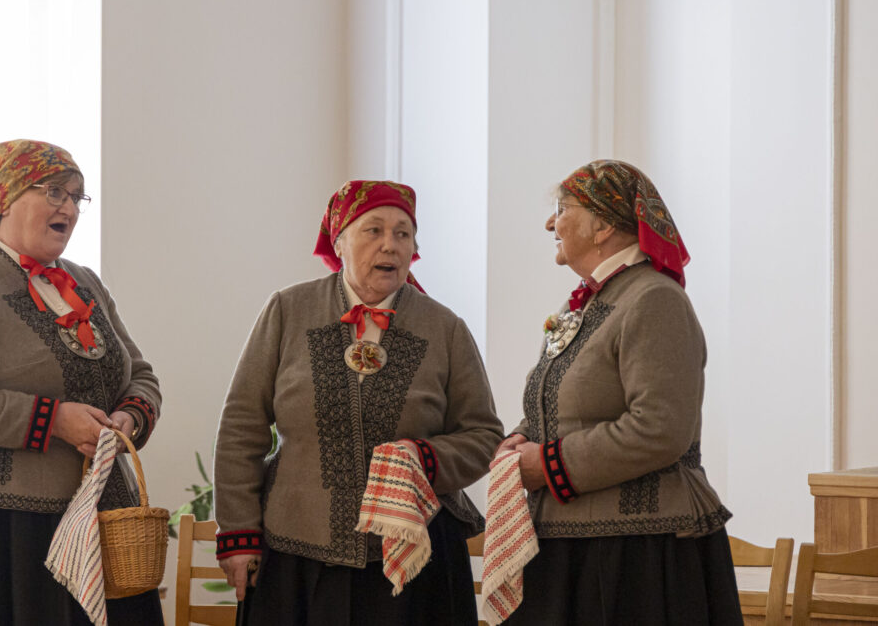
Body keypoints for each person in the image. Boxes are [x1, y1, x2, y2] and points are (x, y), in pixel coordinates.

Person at [213, 180, 504, 626]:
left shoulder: (445, 328)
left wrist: (423, 458)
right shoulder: (287, 310)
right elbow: (241, 426)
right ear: (339, 241)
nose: (390, 244)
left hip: (416, 558)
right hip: (296, 554)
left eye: (403, 233)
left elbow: (483, 436)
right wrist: (238, 532)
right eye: (374, 230)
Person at [0, 140, 163, 625]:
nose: (69, 207)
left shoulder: (86, 282)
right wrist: (55, 420)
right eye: (54, 192)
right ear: (5, 197)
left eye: (76, 196)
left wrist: (128, 418)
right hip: (4, 531)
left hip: (103, 518)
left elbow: (141, 375)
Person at [498, 160, 741, 625]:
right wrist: (520, 440)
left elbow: (659, 429)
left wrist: (546, 464)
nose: (550, 223)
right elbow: (559, 404)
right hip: (569, 544)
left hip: (637, 552)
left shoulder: (654, 299)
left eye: (562, 209)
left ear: (603, 226)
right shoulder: (587, 303)